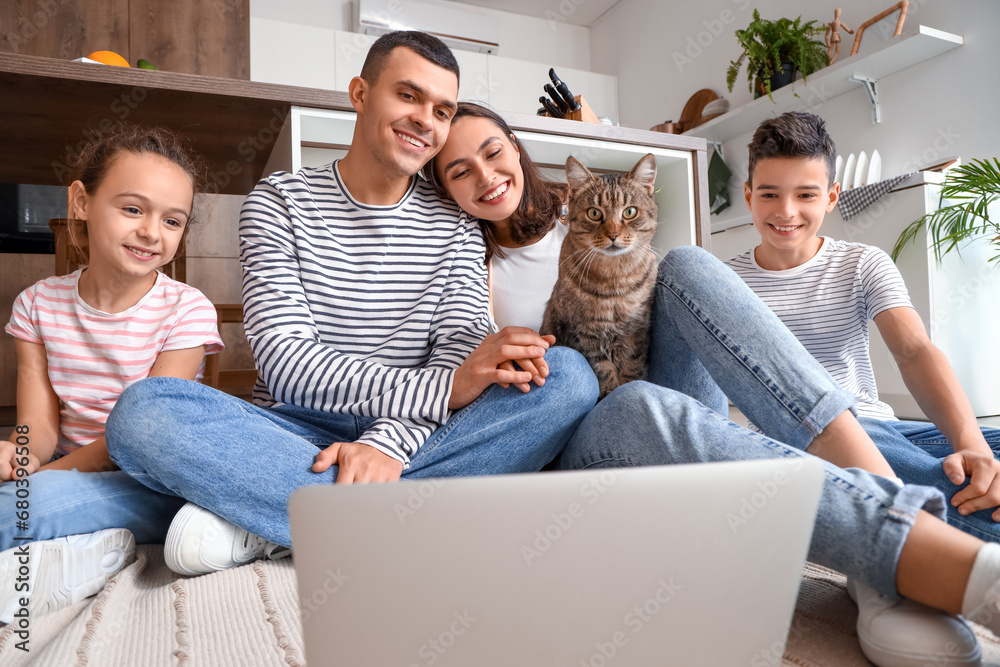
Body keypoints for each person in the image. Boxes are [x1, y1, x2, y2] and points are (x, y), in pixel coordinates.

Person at [426, 101, 1000, 667]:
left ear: (518, 151)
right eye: (458, 170)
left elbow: (914, 347)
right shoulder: (456, 257)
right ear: (441, 186)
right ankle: (897, 540)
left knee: (689, 264)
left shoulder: (589, 204)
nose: (485, 175)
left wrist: (969, 438)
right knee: (639, 401)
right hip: (590, 423)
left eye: (493, 152)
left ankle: (881, 520)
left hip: (668, 393)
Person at [103, 31, 597, 578]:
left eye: (441, 109)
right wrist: (447, 388)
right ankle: (388, 518)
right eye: (408, 96)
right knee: (144, 412)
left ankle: (281, 516)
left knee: (568, 378)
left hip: (418, 431)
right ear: (360, 93)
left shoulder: (457, 221)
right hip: (292, 431)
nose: (424, 120)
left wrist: (389, 445)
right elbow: (287, 365)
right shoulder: (277, 202)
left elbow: (460, 350)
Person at [724, 110, 1000, 542]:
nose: (786, 212)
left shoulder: (862, 262)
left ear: (832, 197)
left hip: (882, 427)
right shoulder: (725, 282)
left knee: (989, 454)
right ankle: (943, 533)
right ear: (748, 195)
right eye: (770, 195)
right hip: (797, 438)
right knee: (956, 479)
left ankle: (899, 507)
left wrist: (974, 445)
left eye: (806, 195)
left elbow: (914, 351)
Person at [0, 125, 223, 622]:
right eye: (132, 209)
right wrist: (17, 459)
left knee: (14, 510)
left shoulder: (187, 310)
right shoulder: (36, 304)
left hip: (151, 480)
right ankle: (88, 550)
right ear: (82, 200)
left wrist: (36, 482)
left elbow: (138, 434)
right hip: (67, 470)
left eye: (172, 221)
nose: (151, 232)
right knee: (21, 500)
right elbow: (37, 428)